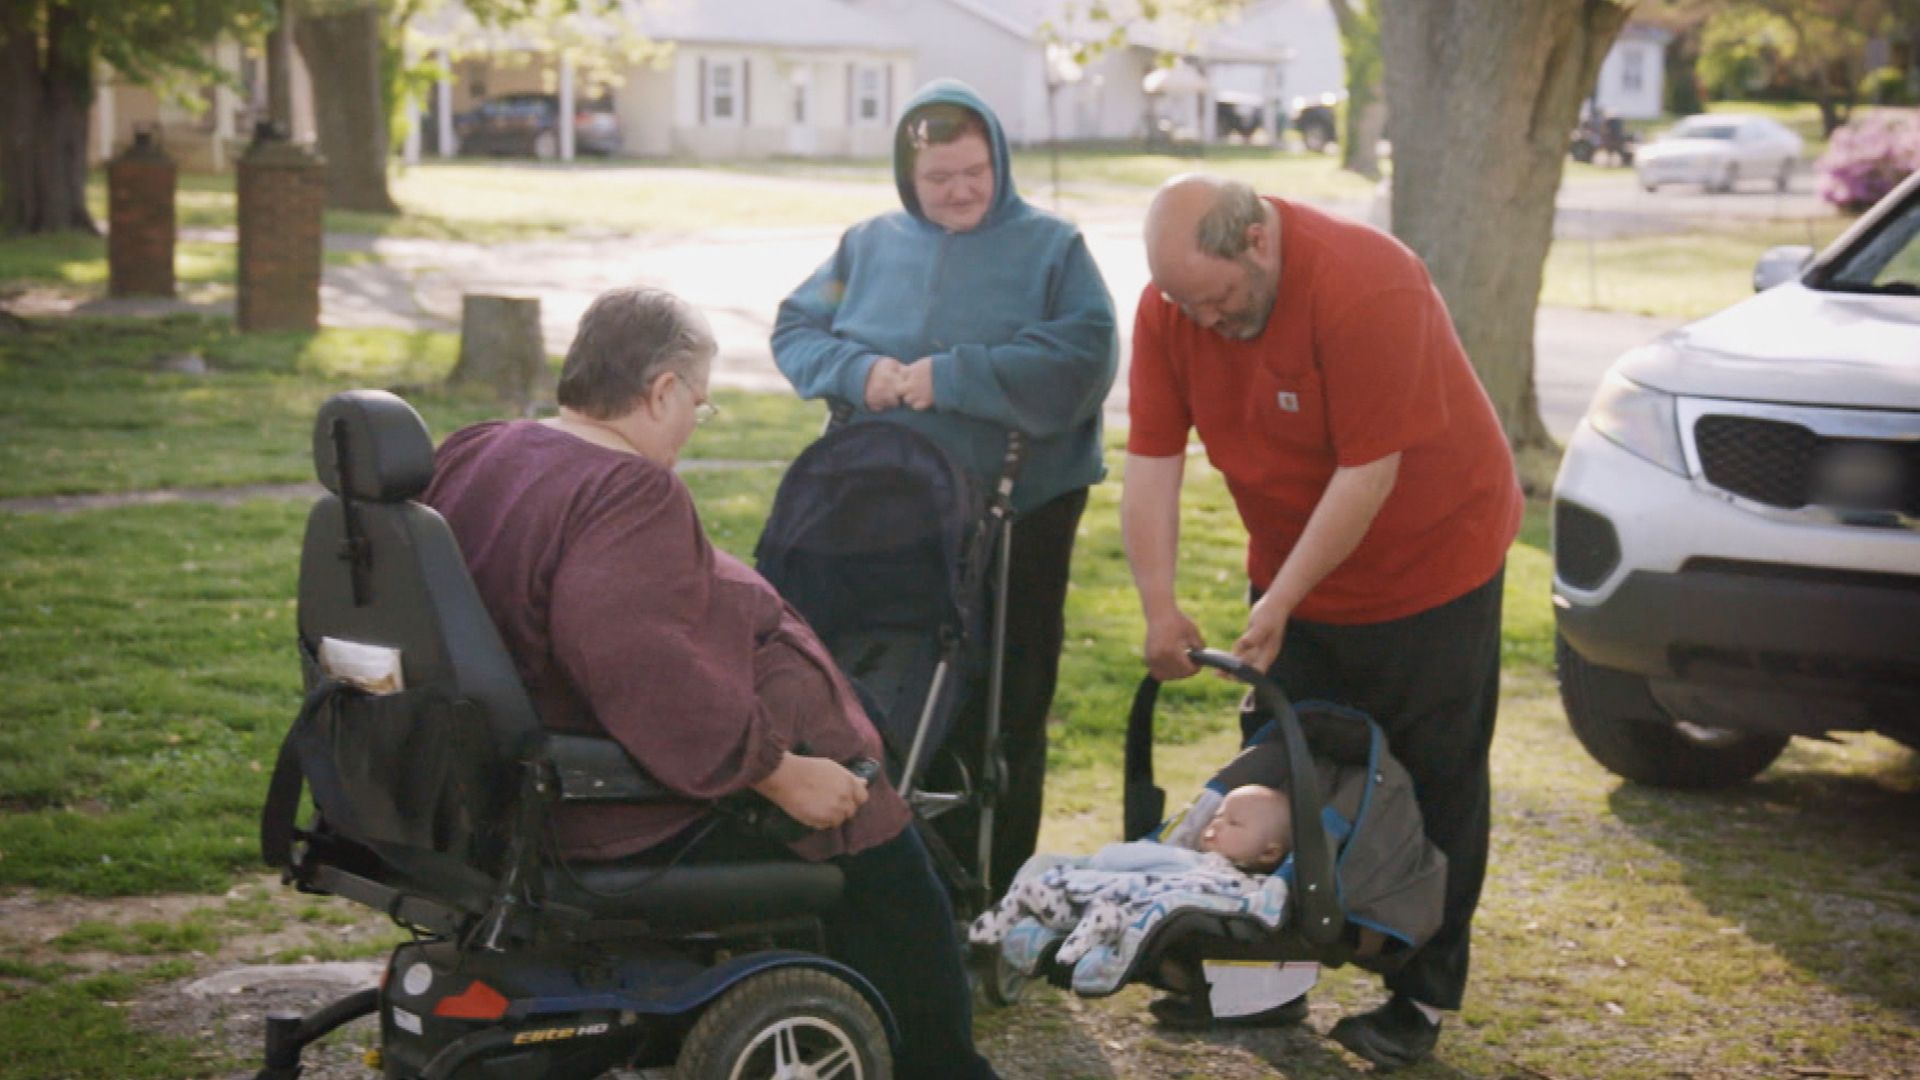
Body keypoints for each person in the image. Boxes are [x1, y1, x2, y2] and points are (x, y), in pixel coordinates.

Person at [422, 286, 999, 1080]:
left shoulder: (486, 446)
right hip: (599, 807)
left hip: (481, 783)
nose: (697, 419)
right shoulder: (626, 492)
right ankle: (944, 1069)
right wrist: (783, 773)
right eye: (700, 401)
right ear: (661, 391)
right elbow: (639, 668)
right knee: (886, 860)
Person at [1121, 175, 1523, 1069]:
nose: (1203, 321)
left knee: (1432, 777)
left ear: (1257, 241)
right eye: (1183, 302)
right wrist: (1159, 602)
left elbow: (1368, 472)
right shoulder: (1173, 309)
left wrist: (1282, 599)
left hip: (1434, 558)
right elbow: (1151, 459)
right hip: (1296, 567)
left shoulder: (1366, 281)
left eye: (1216, 299)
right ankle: (1265, 976)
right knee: (1280, 774)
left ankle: (1415, 995)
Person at [772, 78, 1117, 897]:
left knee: (1006, 695)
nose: (960, 190)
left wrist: (950, 378)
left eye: (975, 171)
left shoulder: (1053, 248)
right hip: (884, 506)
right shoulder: (864, 246)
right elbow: (796, 326)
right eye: (939, 178)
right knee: (874, 673)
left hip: (1018, 509)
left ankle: (987, 882)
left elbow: (1085, 356)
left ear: (998, 158)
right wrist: (863, 372)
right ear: (907, 176)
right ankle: (867, 865)